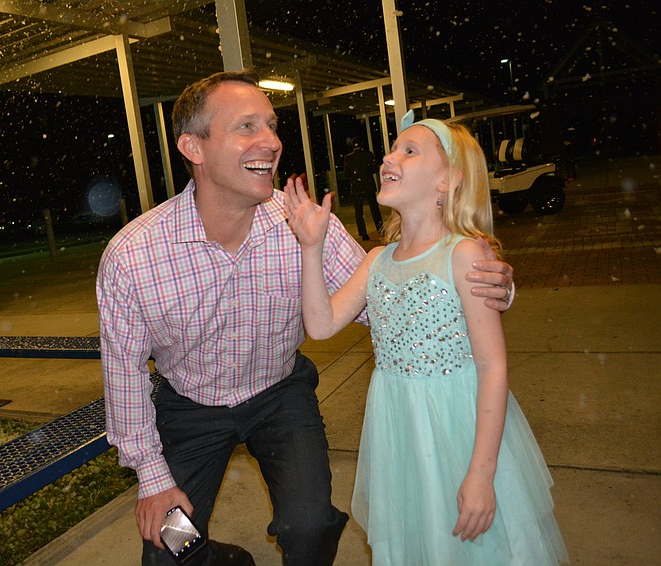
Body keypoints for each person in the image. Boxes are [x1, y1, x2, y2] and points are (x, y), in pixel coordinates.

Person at [96, 70, 516, 566]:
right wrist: (153, 478)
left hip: (280, 394)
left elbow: (388, 299)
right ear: (194, 147)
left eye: (271, 126)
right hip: (189, 407)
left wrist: (484, 288)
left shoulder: (304, 223)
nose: (271, 141)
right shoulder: (134, 255)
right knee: (170, 547)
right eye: (246, 127)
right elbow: (123, 376)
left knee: (311, 525)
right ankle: (220, 559)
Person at [284, 112, 568, 565]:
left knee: (475, 547)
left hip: (458, 425)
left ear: (448, 180)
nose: (388, 157)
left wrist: (481, 472)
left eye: (409, 151)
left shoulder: (464, 254)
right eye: (392, 148)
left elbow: (493, 366)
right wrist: (311, 246)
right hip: (399, 428)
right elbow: (319, 325)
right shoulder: (376, 260)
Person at [343, 137, 383, 241]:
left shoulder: (348, 158)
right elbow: (374, 169)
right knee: (374, 209)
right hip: (368, 185)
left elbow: (346, 174)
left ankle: (364, 233)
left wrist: (356, 175)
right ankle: (380, 229)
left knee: (359, 212)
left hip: (356, 187)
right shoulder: (368, 155)